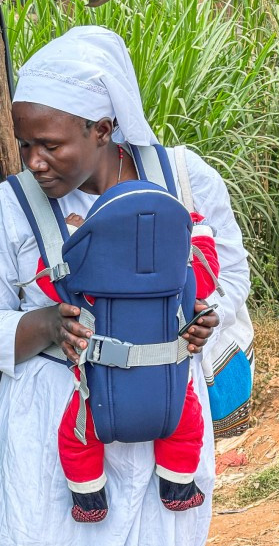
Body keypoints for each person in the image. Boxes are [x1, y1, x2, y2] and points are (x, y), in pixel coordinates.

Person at [0, 26, 251, 546]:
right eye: (25, 143)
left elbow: (231, 280)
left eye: (51, 144)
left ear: (103, 127)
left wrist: (207, 318)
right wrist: (43, 327)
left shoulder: (184, 180)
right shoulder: (7, 209)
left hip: (165, 421)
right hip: (50, 436)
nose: (34, 160)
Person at [50, 210, 220, 522]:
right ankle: (178, 488)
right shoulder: (183, 273)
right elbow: (208, 275)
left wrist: (74, 235)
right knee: (186, 425)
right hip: (169, 384)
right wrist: (197, 231)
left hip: (102, 388)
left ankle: (89, 499)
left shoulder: (93, 275)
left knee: (78, 436)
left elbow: (55, 280)